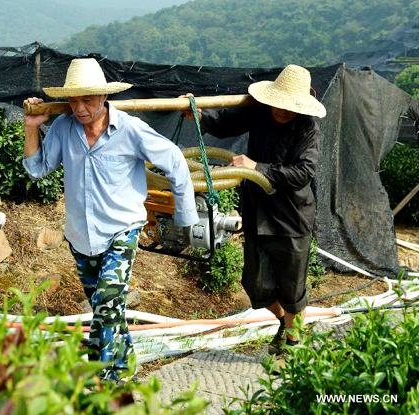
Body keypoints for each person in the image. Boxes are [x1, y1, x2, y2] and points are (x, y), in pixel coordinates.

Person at [23, 58, 199, 382]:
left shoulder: (129, 130)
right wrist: (31, 127)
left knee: (106, 302)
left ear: (104, 98)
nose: (78, 107)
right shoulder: (63, 128)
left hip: (122, 230)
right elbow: (37, 169)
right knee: (108, 309)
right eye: (73, 100)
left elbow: (174, 158)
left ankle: (103, 380)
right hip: (81, 236)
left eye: (87, 99)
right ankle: (125, 364)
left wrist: (187, 219)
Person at [181, 64, 326, 355]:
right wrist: (200, 117)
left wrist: (256, 167)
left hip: (291, 216)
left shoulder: (308, 129)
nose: (282, 111)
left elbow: (303, 173)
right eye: (279, 105)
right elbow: (225, 123)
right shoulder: (261, 110)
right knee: (255, 283)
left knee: (291, 284)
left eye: (289, 107)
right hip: (258, 210)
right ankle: (285, 323)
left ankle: (294, 344)